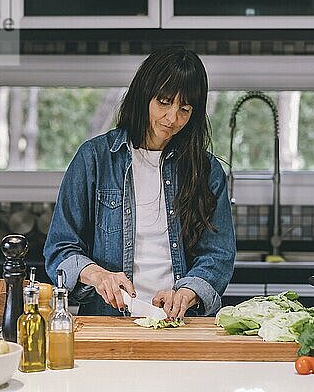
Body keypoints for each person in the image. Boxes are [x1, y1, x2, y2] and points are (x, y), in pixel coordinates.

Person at [44, 46, 235, 320]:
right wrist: (98, 276)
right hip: (108, 321)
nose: (173, 119)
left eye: (185, 109)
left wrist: (185, 293)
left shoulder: (206, 171)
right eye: (164, 103)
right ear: (143, 95)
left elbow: (218, 254)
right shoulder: (94, 159)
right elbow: (60, 249)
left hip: (179, 324)